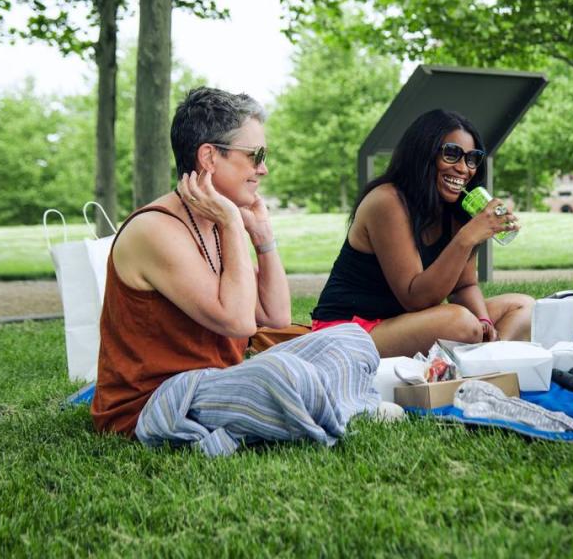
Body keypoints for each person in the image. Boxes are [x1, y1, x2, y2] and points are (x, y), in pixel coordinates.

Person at [91, 87, 383, 456]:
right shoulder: (156, 230)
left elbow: (274, 316)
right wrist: (232, 223)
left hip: (221, 383)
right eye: (255, 155)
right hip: (155, 402)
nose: (263, 168)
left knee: (351, 340)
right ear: (209, 157)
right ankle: (338, 406)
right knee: (284, 377)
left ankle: (300, 409)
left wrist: (262, 237)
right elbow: (240, 323)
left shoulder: (215, 219)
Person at [311, 109, 534, 357]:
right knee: (461, 323)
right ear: (423, 154)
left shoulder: (456, 210)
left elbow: (464, 286)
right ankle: (483, 358)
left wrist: (485, 322)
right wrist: (467, 237)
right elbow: (415, 299)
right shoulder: (387, 201)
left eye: (472, 159)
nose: (463, 168)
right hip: (350, 332)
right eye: (452, 154)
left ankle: (487, 356)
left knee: (525, 307)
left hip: (405, 323)